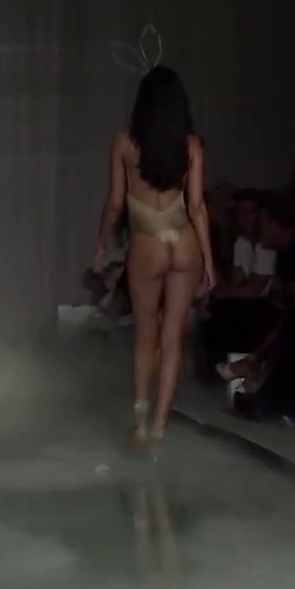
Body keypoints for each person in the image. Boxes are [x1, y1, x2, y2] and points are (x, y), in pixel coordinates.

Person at [94, 66, 215, 451]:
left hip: (148, 243)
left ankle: (140, 423)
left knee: (145, 336)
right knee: (173, 335)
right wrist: (210, 262)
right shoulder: (191, 145)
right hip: (184, 241)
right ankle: (161, 424)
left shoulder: (124, 144)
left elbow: (116, 203)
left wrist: (101, 244)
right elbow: (196, 206)